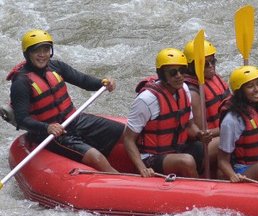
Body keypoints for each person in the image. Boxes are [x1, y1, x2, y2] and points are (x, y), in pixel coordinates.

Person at [7, 29, 124, 172]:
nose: (42, 55)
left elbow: (83, 80)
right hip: (51, 133)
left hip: (74, 120)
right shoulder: (21, 82)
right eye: (37, 51)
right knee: (96, 158)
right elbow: (22, 119)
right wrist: (47, 128)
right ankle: (125, 183)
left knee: (124, 132)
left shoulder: (56, 67)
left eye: (46, 50)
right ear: (27, 53)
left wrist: (102, 83)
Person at [123, 48, 212, 178]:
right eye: (173, 72)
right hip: (152, 156)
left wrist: (199, 134)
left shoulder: (184, 89)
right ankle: (200, 191)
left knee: (218, 145)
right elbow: (128, 139)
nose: (179, 76)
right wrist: (142, 168)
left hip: (178, 148)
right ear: (162, 74)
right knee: (186, 161)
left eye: (182, 71)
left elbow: (189, 125)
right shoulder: (146, 99)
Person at [182, 39, 230, 177]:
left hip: (216, 137)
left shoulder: (215, 79)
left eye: (213, 61)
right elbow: (201, 133)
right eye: (205, 64)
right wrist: (230, 128)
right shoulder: (192, 92)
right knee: (231, 137)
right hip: (199, 146)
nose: (211, 67)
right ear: (192, 67)